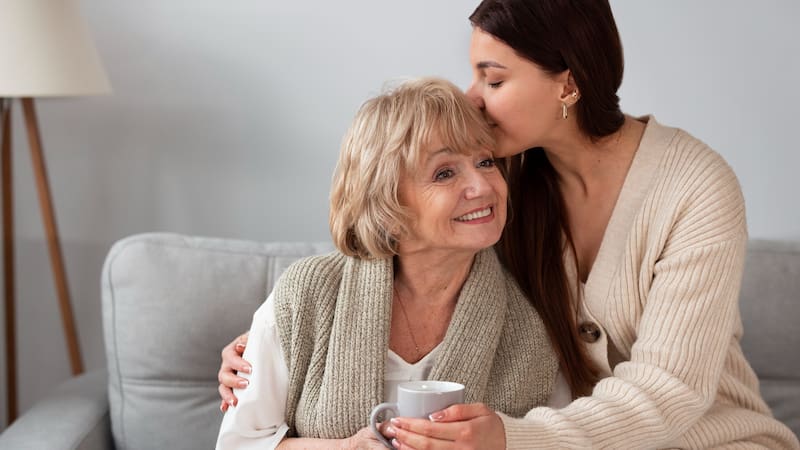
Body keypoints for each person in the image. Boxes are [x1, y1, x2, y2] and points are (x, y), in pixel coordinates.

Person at [219, 1, 800, 448]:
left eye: (493, 80)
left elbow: (671, 391)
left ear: (567, 84)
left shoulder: (694, 187)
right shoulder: (502, 174)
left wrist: (511, 438)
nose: (473, 98)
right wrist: (272, 341)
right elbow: (397, 236)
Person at [215, 77, 559, 449]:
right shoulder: (308, 293)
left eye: (486, 161)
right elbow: (240, 444)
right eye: (445, 172)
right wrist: (347, 449)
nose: (483, 186)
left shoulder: (534, 311)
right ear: (388, 207)